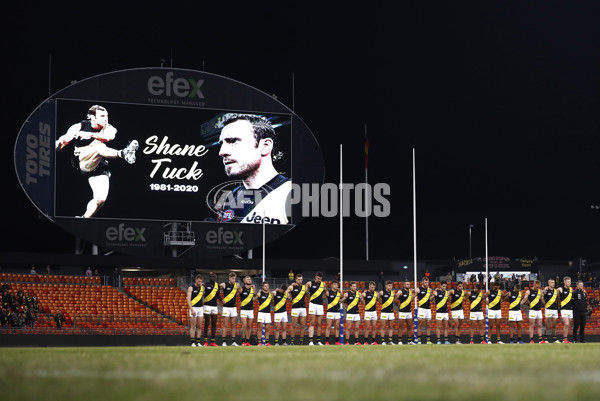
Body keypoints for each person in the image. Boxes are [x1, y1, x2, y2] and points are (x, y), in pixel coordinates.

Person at [55, 104, 138, 218]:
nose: (106, 119)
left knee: (100, 199)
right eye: (102, 116)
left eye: (107, 116)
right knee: (99, 148)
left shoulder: (109, 128)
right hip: (80, 161)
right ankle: (123, 153)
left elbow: (108, 137)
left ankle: (83, 219)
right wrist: (52, 146)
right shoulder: (78, 127)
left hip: (98, 163)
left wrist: (89, 134)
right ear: (93, 118)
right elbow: (63, 141)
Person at [216, 113, 290, 224]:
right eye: (221, 144)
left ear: (265, 146)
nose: (222, 152)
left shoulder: (293, 193)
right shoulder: (231, 196)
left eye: (233, 141)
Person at [220, 272, 241, 346]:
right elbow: (216, 290)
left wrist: (235, 296)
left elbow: (239, 291)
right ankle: (224, 342)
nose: (234, 280)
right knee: (225, 325)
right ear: (229, 278)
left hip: (233, 307)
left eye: (235, 278)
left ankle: (233, 342)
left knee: (233, 325)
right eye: (232, 278)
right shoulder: (224, 284)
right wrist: (221, 299)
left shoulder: (237, 285)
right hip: (226, 307)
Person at [306, 272, 326, 345]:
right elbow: (305, 290)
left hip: (320, 305)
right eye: (318, 278)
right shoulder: (310, 283)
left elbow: (325, 292)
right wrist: (310, 297)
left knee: (319, 324)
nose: (319, 280)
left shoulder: (323, 284)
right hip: (312, 304)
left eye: (320, 279)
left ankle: (318, 341)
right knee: (312, 323)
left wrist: (324, 297)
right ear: (315, 277)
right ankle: (311, 341)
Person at [288, 274, 307, 345]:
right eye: (298, 279)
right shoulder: (292, 286)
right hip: (295, 308)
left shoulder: (304, 287)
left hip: (303, 308)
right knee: (294, 325)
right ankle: (292, 341)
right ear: (296, 280)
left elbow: (308, 294)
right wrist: (289, 298)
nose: (300, 281)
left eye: (301, 279)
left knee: (302, 325)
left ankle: (301, 341)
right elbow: (286, 292)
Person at [202, 272, 220, 346]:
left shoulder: (217, 285)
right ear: (209, 277)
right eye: (212, 277)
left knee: (214, 324)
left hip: (214, 306)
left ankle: (213, 342)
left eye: (214, 277)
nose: (213, 278)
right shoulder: (205, 284)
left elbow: (218, 295)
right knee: (206, 323)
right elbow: (202, 294)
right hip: (207, 306)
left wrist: (222, 300)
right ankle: (205, 342)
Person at [187, 274, 204, 347]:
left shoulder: (202, 288)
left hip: (200, 308)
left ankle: (198, 342)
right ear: (196, 280)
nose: (200, 282)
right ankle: (192, 342)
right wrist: (191, 309)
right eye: (199, 281)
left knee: (199, 326)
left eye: (201, 281)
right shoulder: (191, 288)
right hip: (193, 308)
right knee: (193, 326)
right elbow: (188, 299)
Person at [255, 281, 273, 346]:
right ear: (262, 287)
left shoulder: (271, 294)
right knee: (260, 328)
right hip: (261, 313)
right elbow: (253, 299)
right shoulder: (260, 294)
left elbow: (273, 303)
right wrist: (256, 294)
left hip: (268, 313)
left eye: (267, 286)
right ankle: (259, 342)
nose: (266, 287)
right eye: (265, 286)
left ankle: (267, 342)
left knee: (267, 328)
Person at [542, 279, 560, 343]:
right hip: (548, 309)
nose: (553, 283)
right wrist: (545, 304)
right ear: (548, 283)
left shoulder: (556, 291)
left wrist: (558, 307)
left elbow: (558, 299)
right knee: (547, 325)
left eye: (554, 282)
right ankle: (546, 339)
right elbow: (541, 296)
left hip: (554, 310)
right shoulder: (546, 291)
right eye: (552, 282)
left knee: (554, 326)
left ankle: (555, 339)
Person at [416, 277, 433, 344]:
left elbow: (430, 298)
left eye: (427, 282)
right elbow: (414, 293)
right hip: (421, 309)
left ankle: (428, 341)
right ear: (422, 282)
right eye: (425, 282)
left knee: (428, 325)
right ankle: (419, 340)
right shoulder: (419, 289)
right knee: (419, 324)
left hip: (428, 309)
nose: (426, 283)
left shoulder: (430, 290)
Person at [239, 276, 256, 346]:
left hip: (251, 310)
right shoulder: (241, 289)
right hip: (243, 309)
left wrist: (254, 289)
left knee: (249, 326)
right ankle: (243, 341)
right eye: (248, 279)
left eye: (250, 279)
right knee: (244, 325)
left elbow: (254, 297)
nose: (249, 280)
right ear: (244, 281)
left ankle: (248, 341)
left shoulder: (252, 288)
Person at [378, 280, 396, 345]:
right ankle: (383, 341)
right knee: (383, 327)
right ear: (386, 286)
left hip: (391, 312)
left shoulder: (393, 293)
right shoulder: (382, 292)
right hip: (384, 312)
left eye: (391, 285)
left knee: (391, 327)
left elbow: (393, 300)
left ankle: (390, 341)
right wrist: (380, 301)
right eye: (389, 285)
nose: (390, 287)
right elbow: (378, 297)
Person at [324, 281, 341, 345]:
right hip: (330, 312)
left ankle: (337, 341)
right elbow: (323, 298)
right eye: (334, 284)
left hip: (337, 312)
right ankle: (327, 341)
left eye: (337, 285)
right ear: (331, 285)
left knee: (337, 327)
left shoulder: (339, 293)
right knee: (328, 327)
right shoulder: (328, 292)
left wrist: (341, 292)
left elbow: (342, 300)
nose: (336, 286)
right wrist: (325, 293)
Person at [557, 276, 574, 343]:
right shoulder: (561, 289)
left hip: (570, 309)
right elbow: (554, 293)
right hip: (564, 309)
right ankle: (564, 339)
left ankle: (565, 339)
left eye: (569, 282)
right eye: (567, 282)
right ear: (564, 282)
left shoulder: (571, 289)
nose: (569, 283)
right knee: (566, 324)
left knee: (567, 325)